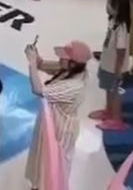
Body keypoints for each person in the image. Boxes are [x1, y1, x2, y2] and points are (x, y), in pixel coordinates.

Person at [24, 39, 91, 189]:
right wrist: (36, 57)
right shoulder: (72, 70)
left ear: (73, 63)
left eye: (64, 58)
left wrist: (32, 63)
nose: (60, 59)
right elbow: (42, 65)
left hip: (59, 130)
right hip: (51, 123)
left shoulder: (74, 86)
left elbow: (38, 90)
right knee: (42, 162)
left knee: (52, 165)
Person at [90, 0, 131, 130]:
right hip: (108, 63)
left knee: (115, 92)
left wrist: (118, 69)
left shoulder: (122, 28)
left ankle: (116, 119)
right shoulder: (113, 22)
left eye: (110, 4)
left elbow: (121, 50)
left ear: (118, 8)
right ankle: (109, 112)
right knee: (108, 89)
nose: (107, 6)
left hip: (115, 67)